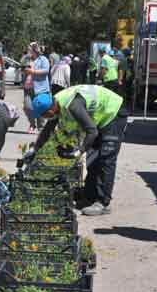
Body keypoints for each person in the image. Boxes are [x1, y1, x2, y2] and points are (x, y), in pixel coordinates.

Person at [25, 85, 127, 216]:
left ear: (50, 110)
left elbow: (92, 132)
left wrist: (79, 151)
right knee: (93, 158)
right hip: (100, 118)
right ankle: (89, 197)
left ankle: (102, 203)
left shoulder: (73, 105)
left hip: (113, 113)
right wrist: (35, 149)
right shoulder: (56, 103)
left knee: (106, 159)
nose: (44, 117)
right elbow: (47, 130)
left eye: (44, 115)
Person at [22, 42, 50, 133]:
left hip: (40, 88)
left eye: (29, 49)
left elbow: (46, 71)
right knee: (27, 107)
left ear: (34, 50)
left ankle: (40, 126)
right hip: (27, 87)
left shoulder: (43, 59)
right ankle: (32, 124)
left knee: (40, 107)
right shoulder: (26, 59)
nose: (28, 51)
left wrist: (32, 71)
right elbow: (22, 67)